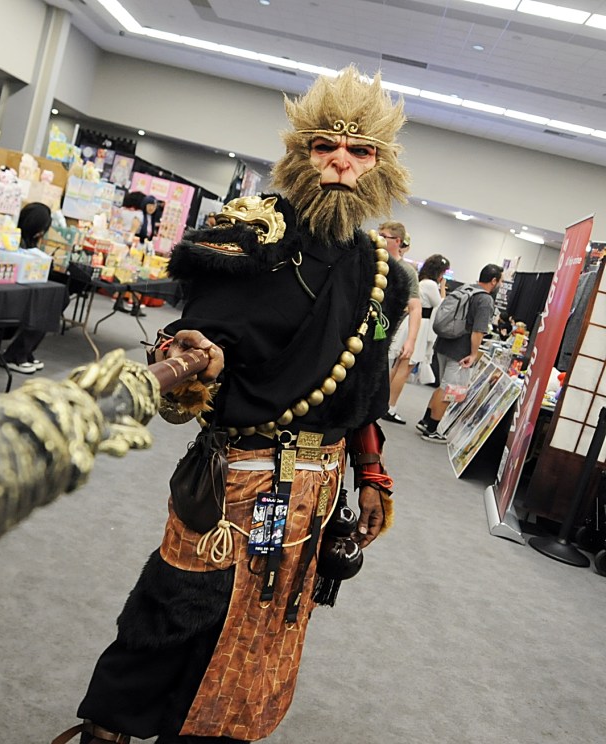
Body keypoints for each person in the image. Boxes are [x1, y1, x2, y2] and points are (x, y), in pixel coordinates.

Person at [54, 65, 411, 744]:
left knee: (267, 621)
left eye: (360, 149)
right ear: (301, 154)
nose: (342, 159)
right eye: (326, 145)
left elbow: (363, 389)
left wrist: (371, 476)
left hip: (312, 489)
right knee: (181, 604)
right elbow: (198, 337)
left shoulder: (385, 280)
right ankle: (109, 726)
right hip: (234, 477)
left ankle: (212, 732)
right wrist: (196, 359)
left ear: (380, 165)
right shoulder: (246, 242)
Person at [416, 263, 503, 443]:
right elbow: (478, 331)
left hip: (444, 343)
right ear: (494, 281)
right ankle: (431, 429)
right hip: (460, 351)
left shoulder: (467, 288)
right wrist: (473, 354)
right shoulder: (485, 300)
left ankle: (426, 421)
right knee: (449, 390)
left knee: (443, 386)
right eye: (500, 281)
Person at [1, 203, 54, 374]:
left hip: (19, 292)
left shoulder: (27, 242)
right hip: (9, 294)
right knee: (46, 304)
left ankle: (25, 351)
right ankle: (16, 355)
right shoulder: (14, 240)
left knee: (52, 300)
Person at [380, 221, 421, 424]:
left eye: (384, 236)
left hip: (385, 334)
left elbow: (415, 307)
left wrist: (411, 341)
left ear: (397, 241)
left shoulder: (406, 272)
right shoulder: (371, 260)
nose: (379, 239)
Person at [412, 254, 451, 385]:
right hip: (421, 324)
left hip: (418, 322)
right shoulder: (430, 284)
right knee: (407, 365)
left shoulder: (423, 281)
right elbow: (440, 305)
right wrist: (443, 288)